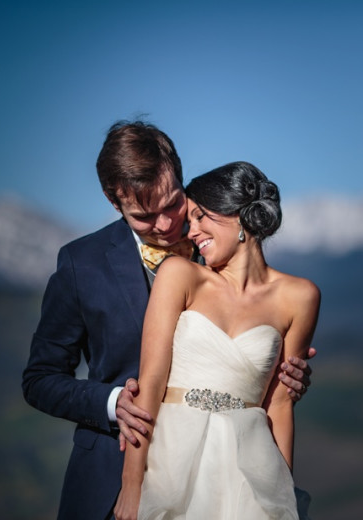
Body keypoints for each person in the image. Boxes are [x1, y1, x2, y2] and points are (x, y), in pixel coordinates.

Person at [22, 121, 314, 519]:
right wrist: (112, 403)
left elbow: (260, 363)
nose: (165, 225)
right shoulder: (81, 264)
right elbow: (39, 379)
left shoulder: (215, 238)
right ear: (114, 201)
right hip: (111, 478)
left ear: (179, 175)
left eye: (173, 203)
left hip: (223, 479)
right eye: (144, 215)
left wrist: (280, 371)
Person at [113, 161, 320, 520]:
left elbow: (281, 404)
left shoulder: (300, 296)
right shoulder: (179, 274)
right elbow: (151, 382)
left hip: (250, 468)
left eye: (200, 217)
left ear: (237, 215)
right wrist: (131, 486)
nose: (190, 232)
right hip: (173, 457)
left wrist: (284, 496)